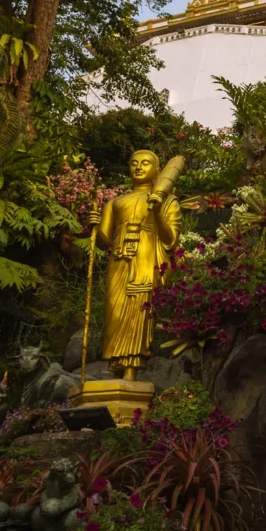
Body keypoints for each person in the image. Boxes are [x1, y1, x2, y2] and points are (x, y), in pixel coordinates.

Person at [87, 150, 182, 380]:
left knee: (139, 311)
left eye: (146, 163)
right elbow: (103, 242)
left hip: (147, 259)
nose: (139, 167)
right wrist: (95, 225)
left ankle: (131, 372)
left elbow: (171, 239)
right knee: (115, 311)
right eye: (134, 163)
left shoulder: (167, 200)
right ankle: (117, 369)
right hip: (119, 261)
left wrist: (157, 211)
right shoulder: (115, 202)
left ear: (158, 170)